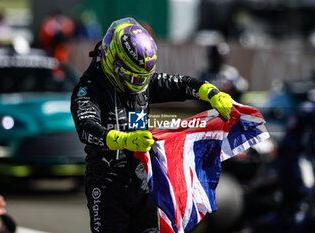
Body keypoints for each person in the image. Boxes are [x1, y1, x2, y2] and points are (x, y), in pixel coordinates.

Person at [70, 17, 233, 233]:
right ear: (114, 62)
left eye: (143, 78)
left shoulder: (141, 83)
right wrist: (123, 140)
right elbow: (86, 126)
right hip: (107, 182)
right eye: (134, 77)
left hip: (144, 178)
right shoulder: (88, 89)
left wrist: (209, 92)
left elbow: (180, 84)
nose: (140, 84)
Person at [276, 84, 315, 233]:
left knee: (287, 203)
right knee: (302, 199)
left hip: (284, 158)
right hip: (298, 160)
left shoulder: (303, 106)